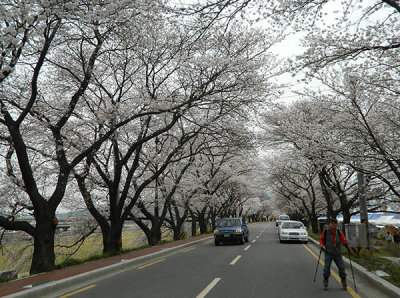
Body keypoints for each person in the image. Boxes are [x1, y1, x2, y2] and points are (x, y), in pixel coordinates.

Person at [319, 218, 349, 289]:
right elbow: (321, 239)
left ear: (337, 224)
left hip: (337, 253)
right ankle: (325, 279)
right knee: (326, 267)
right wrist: (321, 244)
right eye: (332, 223)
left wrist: (346, 243)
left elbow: (343, 240)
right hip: (328, 252)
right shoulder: (326, 232)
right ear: (329, 224)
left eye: (335, 223)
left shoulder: (339, 232)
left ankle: (343, 280)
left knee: (341, 268)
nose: (333, 225)